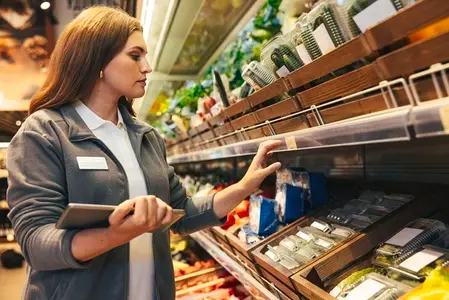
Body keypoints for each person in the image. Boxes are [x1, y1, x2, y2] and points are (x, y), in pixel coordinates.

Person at [6, 6, 282, 300]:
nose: (147, 66)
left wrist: (244, 187)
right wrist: (121, 232)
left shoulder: (146, 136)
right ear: (97, 58)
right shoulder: (46, 132)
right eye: (135, 55)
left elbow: (182, 214)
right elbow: (36, 243)